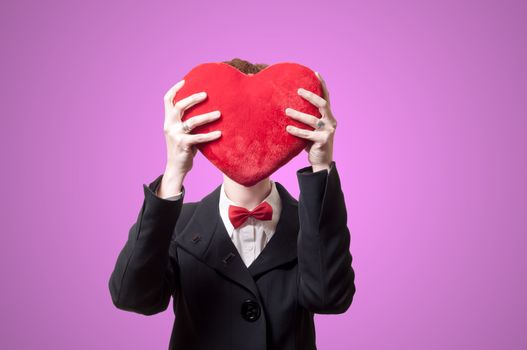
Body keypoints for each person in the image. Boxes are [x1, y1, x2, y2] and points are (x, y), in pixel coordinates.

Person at [108, 58, 356, 350]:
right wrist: (174, 170)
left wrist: (321, 165)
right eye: (231, 121)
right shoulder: (178, 225)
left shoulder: (310, 224)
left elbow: (330, 299)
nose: (245, 132)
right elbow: (132, 296)